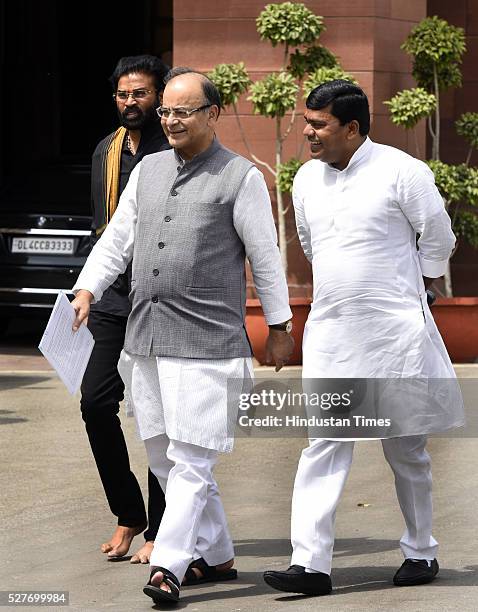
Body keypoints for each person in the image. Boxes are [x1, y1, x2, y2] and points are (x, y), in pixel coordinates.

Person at [71, 67, 294, 604]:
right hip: (145, 338)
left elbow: (266, 257)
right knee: (164, 457)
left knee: (192, 458)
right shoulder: (145, 170)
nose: (170, 121)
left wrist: (281, 327)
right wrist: (87, 290)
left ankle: (170, 564)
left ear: (212, 114)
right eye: (166, 111)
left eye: (182, 111)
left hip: (209, 342)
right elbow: (116, 240)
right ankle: (216, 556)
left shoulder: (240, 178)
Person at [263, 80, 464, 597]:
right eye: (307, 122)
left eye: (318, 124)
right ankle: (310, 565)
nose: (308, 132)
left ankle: (421, 550)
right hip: (332, 331)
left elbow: (438, 235)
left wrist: (419, 284)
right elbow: (309, 243)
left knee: (406, 449)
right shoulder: (306, 178)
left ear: (352, 128)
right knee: (323, 444)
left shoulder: (403, 171)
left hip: (394, 333)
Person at [81, 55, 170, 563]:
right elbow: (105, 231)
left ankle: (162, 527)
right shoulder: (106, 151)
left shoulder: (174, 149)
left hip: (160, 299)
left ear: (159, 96)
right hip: (113, 298)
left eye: (140, 94)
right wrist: (88, 288)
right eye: (122, 94)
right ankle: (128, 513)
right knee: (95, 403)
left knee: (159, 415)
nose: (130, 102)